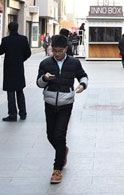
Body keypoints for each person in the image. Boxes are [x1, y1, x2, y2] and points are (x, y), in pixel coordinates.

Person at [37, 34, 88, 184]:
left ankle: (57, 169)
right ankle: (63, 150)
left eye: (60, 51)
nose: (57, 54)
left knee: (59, 135)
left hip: (66, 103)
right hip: (50, 102)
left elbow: (83, 76)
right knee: (50, 135)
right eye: (54, 51)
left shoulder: (74, 63)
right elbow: (39, 83)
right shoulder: (45, 63)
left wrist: (82, 85)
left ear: (66, 49)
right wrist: (45, 78)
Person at [0, 22, 32, 121]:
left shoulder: (6, 40)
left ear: (8, 29)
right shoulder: (23, 39)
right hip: (19, 68)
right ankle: (23, 113)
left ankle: (12, 114)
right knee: (20, 90)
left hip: (9, 69)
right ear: (17, 28)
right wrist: (21, 59)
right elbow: (28, 53)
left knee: (10, 92)